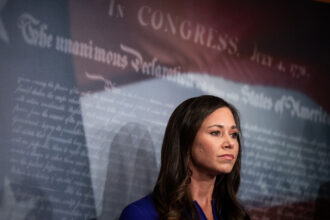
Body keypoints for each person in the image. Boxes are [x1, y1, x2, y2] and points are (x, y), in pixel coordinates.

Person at [119, 95, 250, 220]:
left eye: (233, 134)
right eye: (215, 132)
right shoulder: (141, 214)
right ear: (186, 140)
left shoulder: (237, 215)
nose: (230, 143)